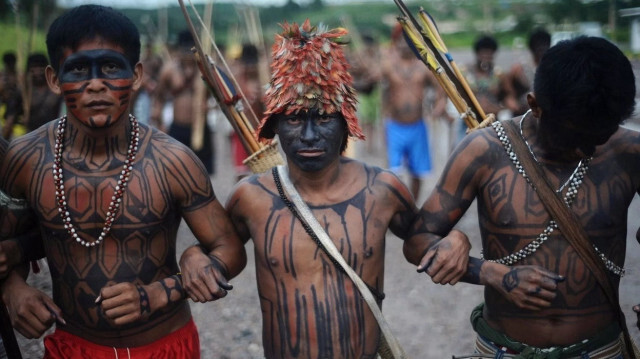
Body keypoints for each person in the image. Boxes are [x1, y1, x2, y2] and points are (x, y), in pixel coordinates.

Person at [179, 20, 470, 358]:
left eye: (323, 118)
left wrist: (458, 240)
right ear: (273, 126)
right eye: (293, 119)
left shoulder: (383, 189)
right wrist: (191, 256)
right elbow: (220, 251)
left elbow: (423, 244)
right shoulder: (252, 196)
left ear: (346, 125)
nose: (308, 136)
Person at [0, 5, 246, 358]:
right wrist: (13, 289)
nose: (96, 83)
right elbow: (7, 248)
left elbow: (231, 250)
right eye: (79, 69)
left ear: (136, 75)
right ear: (55, 79)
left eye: (111, 67)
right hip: (73, 347)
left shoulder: (171, 161)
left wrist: (162, 291)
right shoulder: (26, 159)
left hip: (165, 346)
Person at [410, 36, 638, 357]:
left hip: (602, 350)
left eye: (603, 134)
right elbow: (417, 240)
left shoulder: (629, 151)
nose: (590, 148)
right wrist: (488, 272)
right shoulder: (484, 151)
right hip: (503, 350)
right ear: (535, 105)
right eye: (578, 134)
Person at [380, 24, 446, 200]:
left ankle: (413, 207)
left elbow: (441, 87)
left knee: (418, 171)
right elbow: (371, 81)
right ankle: (396, 206)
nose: (403, 44)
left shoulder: (424, 66)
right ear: (395, 42)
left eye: (407, 41)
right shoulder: (388, 65)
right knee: (394, 172)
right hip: (394, 126)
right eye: (400, 40)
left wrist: (440, 104)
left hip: (418, 126)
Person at [152, 30, 215, 175]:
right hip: (178, 129)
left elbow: (220, 99)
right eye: (184, 51)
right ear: (178, 50)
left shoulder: (205, 71)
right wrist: (159, 119)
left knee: (202, 172)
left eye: (190, 51)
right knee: (176, 172)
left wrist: (210, 106)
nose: (187, 55)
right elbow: (158, 97)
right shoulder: (169, 70)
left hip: (200, 128)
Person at [503, 28, 552, 117]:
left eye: (544, 46)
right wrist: (511, 102)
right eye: (538, 47)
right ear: (531, 48)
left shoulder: (553, 68)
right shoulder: (518, 69)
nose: (541, 50)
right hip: (523, 113)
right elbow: (508, 94)